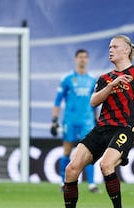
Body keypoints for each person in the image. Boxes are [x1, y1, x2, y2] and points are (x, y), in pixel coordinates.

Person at [48, 35, 134, 208]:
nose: (110, 50)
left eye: (115, 46)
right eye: (109, 47)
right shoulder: (105, 78)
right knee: (71, 169)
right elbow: (93, 102)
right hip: (102, 127)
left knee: (106, 165)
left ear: (126, 50)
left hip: (124, 128)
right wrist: (111, 85)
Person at [50, 49, 100, 193]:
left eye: (85, 57)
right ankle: (63, 183)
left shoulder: (92, 80)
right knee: (66, 151)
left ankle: (91, 184)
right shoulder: (67, 78)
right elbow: (58, 100)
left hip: (87, 121)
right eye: (80, 57)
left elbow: (95, 101)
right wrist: (54, 120)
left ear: (88, 59)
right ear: (75, 59)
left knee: (89, 152)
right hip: (70, 121)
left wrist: (96, 119)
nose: (82, 60)